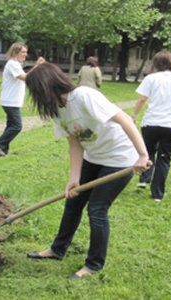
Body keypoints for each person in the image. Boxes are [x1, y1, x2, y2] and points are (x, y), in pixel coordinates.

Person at [24, 63, 149, 279]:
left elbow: (124, 119)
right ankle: (57, 250)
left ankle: (93, 265)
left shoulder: (83, 96)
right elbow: (74, 141)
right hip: (94, 157)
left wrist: (142, 155)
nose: (34, 96)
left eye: (34, 90)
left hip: (120, 157)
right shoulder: (57, 108)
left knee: (97, 209)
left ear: (45, 85)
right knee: (73, 202)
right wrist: (74, 179)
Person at [132, 51, 171, 203]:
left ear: (155, 63)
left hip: (151, 122)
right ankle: (157, 194)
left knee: (148, 151)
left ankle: (144, 179)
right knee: (164, 158)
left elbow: (142, 99)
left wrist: (134, 115)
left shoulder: (151, 78)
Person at [0, 42, 45, 157]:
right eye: (23, 52)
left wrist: (36, 66)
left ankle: (3, 149)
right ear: (16, 52)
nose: (25, 55)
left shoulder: (16, 64)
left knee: (11, 125)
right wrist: (36, 66)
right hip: (10, 101)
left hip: (12, 100)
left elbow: (24, 76)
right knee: (17, 126)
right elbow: (25, 77)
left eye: (26, 52)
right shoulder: (12, 64)